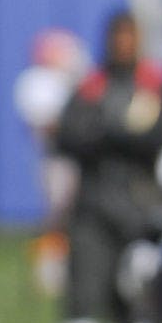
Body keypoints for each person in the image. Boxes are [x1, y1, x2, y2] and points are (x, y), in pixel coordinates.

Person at [49, 9, 162, 323]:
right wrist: (117, 130)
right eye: (117, 36)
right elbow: (69, 135)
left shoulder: (156, 83)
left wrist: (112, 132)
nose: (123, 43)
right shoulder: (91, 84)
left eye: (131, 36)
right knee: (81, 308)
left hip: (139, 213)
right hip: (92, 212)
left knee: (138, 313)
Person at [13, 28, 94, 297]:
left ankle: (78, 268)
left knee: (81, 217)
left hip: (80, 158)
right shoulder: (36, 82)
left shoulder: (75, 81)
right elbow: (48, 125)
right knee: (58, 216)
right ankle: (49, 272)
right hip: (57, 159)